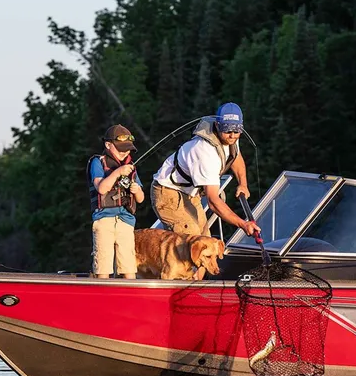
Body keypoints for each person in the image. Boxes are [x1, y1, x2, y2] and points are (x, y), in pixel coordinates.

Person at [151, 102, 260, 237]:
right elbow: (213, 202)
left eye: (236, 131)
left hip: (190, 193)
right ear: (217, 125)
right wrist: (243, 224)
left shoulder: (231, 135)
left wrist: (243, 184)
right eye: (228, 131)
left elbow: (235, 156)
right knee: (192, 240)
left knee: (205, 240)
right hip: (168, 192)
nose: (232, 135)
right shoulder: (205, 152)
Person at [87, 124, 145, 279]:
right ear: (108, 145)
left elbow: (140, 198)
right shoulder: (98, 162)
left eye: (127, 149)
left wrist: (136, 190)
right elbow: (101, 188)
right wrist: (118, 172)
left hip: (126, 220)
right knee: (103, 263)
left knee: (128, 264)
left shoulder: (130, 167)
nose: (124, 152)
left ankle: (130, 295)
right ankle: (102, 295)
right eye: (120, 148)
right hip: (104, 219)